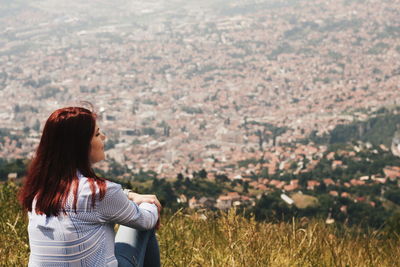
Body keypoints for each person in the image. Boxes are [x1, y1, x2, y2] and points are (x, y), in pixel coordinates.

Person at [19, 106, 162, 267]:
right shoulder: (99, 193)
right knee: (143, 224)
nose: (104, 137)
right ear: (80, 145)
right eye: (96, 134)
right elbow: (146, 220)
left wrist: (129, 194)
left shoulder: (39, 190)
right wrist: (149, 204)